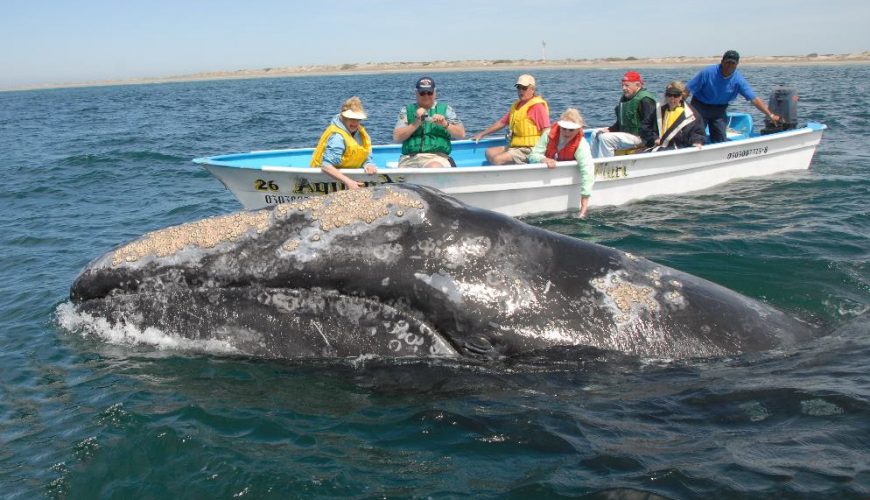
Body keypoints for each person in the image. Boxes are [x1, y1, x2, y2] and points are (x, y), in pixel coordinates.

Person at [687, 50, 781, 143]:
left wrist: (770, 115)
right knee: (696, 137)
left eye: (733, 63)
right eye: (727, 63)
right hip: (700, 107)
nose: (729, 66)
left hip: (719, 110)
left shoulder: (738, 80)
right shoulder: (707, 73)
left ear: (737, 65)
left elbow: (754, 99)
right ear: (722, 61)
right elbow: (687, 89)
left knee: (720, 140)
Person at [528, 108, 595, 218]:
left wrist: (584, 204)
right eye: (564, 128)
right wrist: (544, 159)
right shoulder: (548, 135)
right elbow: (533, 155)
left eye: (571, 130)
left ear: (578, 130)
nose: (567, 132)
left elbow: (587, 171)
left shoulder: (581, 144)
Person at [471, 74, 550, 165]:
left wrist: (541, 153)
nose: (521, 91)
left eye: (524, 88)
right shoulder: (517, 106)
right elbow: (502, 122)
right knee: (489, 152)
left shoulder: (537, 107)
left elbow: (546, 131)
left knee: (497, 159)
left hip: (530, 148)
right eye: (518, 88)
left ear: (532, 89)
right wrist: (482, 134)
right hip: (515, 146)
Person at [392, 76, 466, 168]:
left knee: (434, 167)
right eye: (422, 93)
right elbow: (397, 137)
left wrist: (445, 124)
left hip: (436, 157)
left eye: (429, 92)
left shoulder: (446, 109)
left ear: (435, 93)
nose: (426, 96)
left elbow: (461, 134)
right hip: (409, 158)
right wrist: (416, 122)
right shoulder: (406, 110)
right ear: (416, 93)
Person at [310, 96, 377, 189]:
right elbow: (326, 166)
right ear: (344, 117)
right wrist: (348, 182)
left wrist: (368, 164)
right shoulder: (337, 137)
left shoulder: (360, 134)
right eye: (351, 118)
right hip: (322, 179)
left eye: (358, 119)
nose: (355, 123)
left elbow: (365, 155)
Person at [590, 71, 658, 158]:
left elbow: (650, 125)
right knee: (595, 133)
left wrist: (649, 143)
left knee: (605, 139)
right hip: (627, 135)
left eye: (627, 85)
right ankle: (594, 163)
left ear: (637, 85)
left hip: (641, 138)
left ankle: (606, 166)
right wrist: (611, 129)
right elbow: (621, 122)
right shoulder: (625, 99)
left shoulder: (646, 100)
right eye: (622, 85)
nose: (623, 88)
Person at [650, 80, 707, 151]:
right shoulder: (658, 109)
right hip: (658, 146)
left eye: (676, 95)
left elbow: (698, 132)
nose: (672, 98)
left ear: (681, 96)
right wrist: (655, 138)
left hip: (677, 148)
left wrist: (697, 142)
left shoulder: (691, 114)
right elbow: (648, 127)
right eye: (669, 94)